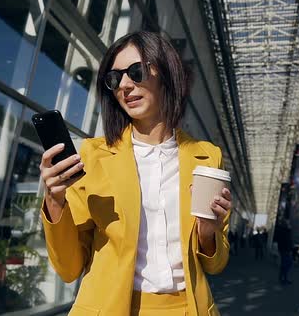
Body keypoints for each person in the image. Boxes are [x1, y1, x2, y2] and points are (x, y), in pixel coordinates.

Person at [40, 31, 232, 316]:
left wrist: (207, 233)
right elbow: (69, 268)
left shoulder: (205, 156)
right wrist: (55, 202)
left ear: (166, 72)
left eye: (136, 71)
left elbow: (215, 264)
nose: (125, 85)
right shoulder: (93, 156)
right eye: (115, 79)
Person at [275, 219, 293, 285]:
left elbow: (289, 241)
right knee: (287, 264)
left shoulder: (284, 230)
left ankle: (282, 278)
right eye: (288, 223)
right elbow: (287, 241)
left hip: (285, 250)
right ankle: (284, 279)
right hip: (285, 250)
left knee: (285, 264)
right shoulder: (284, 231)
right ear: (285, 224)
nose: (289, 224)